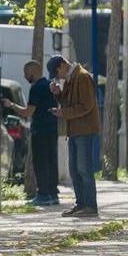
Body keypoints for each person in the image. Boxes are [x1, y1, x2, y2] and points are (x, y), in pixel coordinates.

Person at [48, 55, 100, 218]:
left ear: (63, 65)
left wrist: (64, 113)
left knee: (84, 168)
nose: (58, 77)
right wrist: (58, 94)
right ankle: (81, 204)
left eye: (57, 73)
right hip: (75, 130)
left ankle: (90, 205)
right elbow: (69, 102)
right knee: (74, 170)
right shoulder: (72, 79)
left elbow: (86, 105)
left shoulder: (82, 77)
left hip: (84, 130)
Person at [2, 60, 59, 206]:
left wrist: (11, 105)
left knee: (40, 162)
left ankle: (43, 195)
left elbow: (28, 112)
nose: (25, 75)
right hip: (52, 129)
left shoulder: (36, 88)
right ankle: (52, 194)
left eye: (26, 73)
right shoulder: (49, 86)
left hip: (40, 130)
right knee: (51, 162)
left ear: (33, 72)